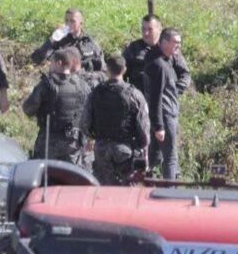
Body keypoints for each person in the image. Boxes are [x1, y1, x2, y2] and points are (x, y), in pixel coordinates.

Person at [81, 54, 150, 186]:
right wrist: (143, 148)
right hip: (125, 149)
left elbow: (84, 123)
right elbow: (143, 126)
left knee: (103, 189)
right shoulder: (134, 94)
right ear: (124, 69)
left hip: (101, 148)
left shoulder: (96, 92)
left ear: (107, 69)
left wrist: (92, 136)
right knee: (127, 191)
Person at [23, 47, 91, 167]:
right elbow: (89, 113)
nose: (50, 66)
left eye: (51, 62)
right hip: (74, 143)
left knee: (45, 177)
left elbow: (28, 109)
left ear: (59, 63)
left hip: (49, 140)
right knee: (71, 179)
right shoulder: (83, 85)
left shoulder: (48, 84)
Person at [144, 28, 183, 180]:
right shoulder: (159, 65)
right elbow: (155, 97)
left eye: (179, 43)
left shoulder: (166, 60)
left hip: (165, 115)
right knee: (171, 158)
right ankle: (170, 192)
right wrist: (159, 126)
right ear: (164, 43)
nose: (178, 46)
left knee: (154, 157)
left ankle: (147, 186)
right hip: (165, 117)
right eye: (175, 43)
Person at [123, 14, 191, 96]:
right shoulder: (134, 48)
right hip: (139, 97)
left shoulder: (169, 49)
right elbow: (120, 71)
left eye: (150, 29)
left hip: (164, 99)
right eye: (143, 29)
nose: (146, 33)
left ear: (159, 30)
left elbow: (185, 74)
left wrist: (174, 91)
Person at [31, 8, 104, 75]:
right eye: (66, 20)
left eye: (72, 21)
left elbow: (102, 68)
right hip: (61, 82)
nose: (68, 24)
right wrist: (52, 39)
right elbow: (37, 59)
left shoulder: (89, 42)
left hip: (82, 83)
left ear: (81, 23)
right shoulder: (59, 40)